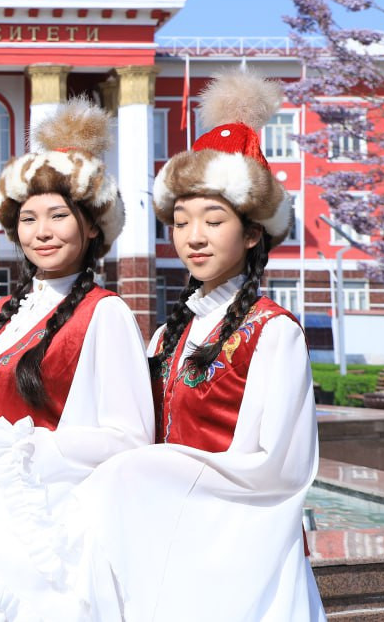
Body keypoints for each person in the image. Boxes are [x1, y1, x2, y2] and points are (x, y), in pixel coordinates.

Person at [73, 71, 325, 620]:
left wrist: (153, 469)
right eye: (181, 221)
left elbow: (278, 469)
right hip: (165, 542)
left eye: (213, 220)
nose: (193, 237)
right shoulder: (169, 334)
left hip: (239, 556)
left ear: (253, 233)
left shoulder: (273, 332)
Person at [0, 99, 154, 622]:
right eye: (28, 218)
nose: (41, 232)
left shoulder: (105, 312)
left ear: (92, 227)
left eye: (58, 216)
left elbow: (130, 440)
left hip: (50, 541)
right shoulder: (3, 311)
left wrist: (19, 448)